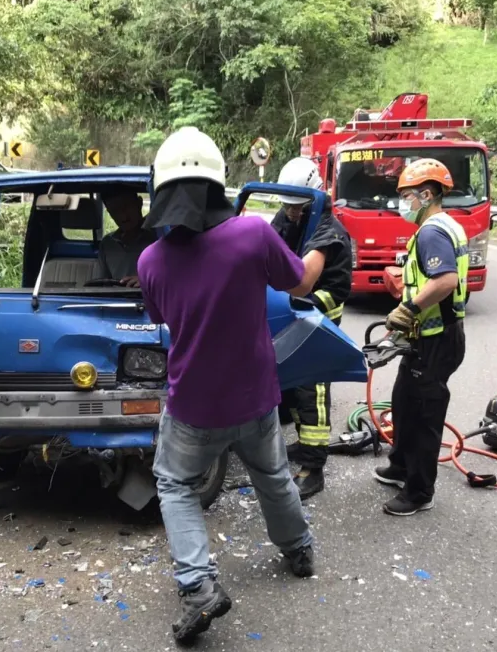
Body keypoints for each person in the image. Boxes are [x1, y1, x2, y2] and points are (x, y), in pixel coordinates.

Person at [137, 128, 321, 643]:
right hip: (256, 396)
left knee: (175, 484)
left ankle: (198, 586)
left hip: (193, 405)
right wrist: (323, 243)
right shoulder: (253, 235)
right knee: (272, 474)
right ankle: (299, 551)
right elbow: (300, 283)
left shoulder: (150, 261)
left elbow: (161, 315)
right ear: (218, 185)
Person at [374, 158, 468, 516]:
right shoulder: (442, 226)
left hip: (437, 339)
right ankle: (400, 465)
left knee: (423, 415)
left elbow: (444, 281)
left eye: (407, 195)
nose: (402, 202)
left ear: (426, 194)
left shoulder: (431, 231)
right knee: (403, 400)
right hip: (425, 337)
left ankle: (419, 491)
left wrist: (408, 309)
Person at [271, 157, 353, 499]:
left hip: (320, 313)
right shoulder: (288, 217)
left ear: (314, 196)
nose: (290, 213)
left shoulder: (327, 228)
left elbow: (305, 279)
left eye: (296, 207)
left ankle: (313, 466)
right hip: (293, 311)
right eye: (286, 206)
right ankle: (304, 445)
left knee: (311, 390)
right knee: (290, 385)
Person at [95, 189, 157, 288]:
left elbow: (175, 276)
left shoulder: (159, 238)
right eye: (115, 211)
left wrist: (148, 280)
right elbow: (103, 284)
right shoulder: (107, 244)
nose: (123, 216)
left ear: (139, 203)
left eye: (127, 207)